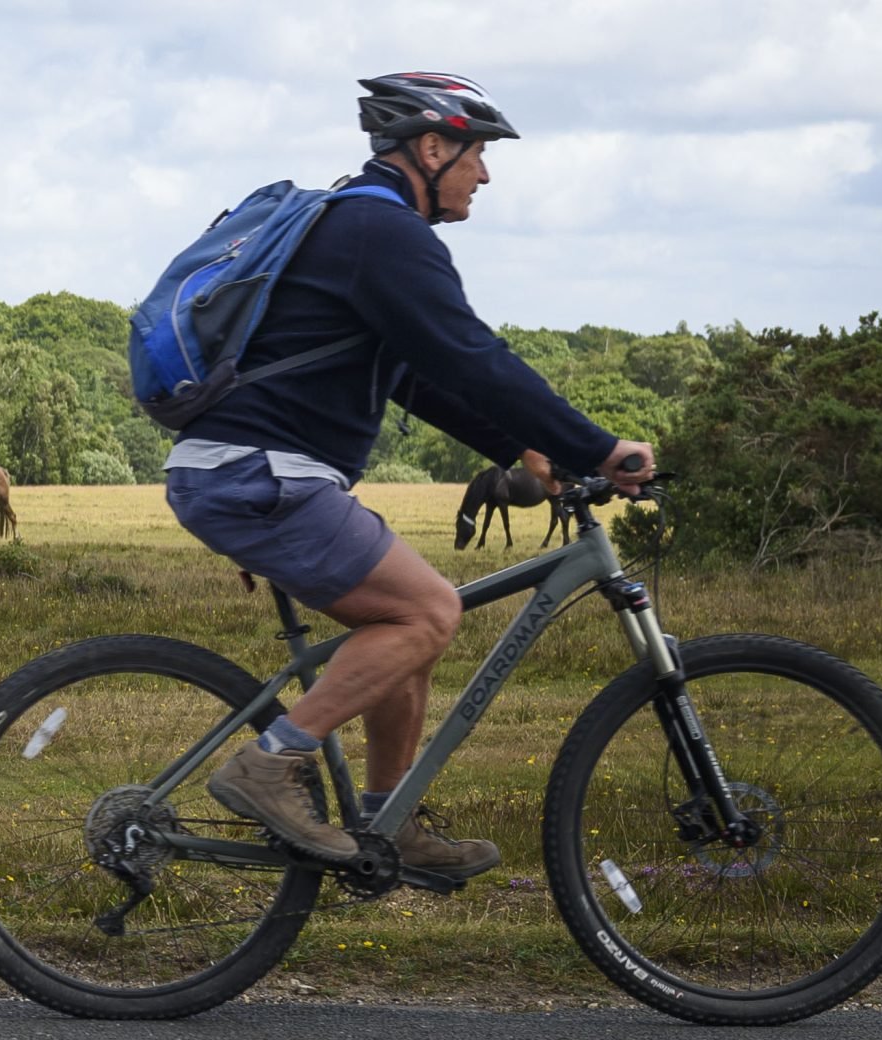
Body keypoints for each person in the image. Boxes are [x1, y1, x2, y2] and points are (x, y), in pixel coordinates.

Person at [165, 73, 655, 877]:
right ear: (432, 148)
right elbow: (474, 357)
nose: (485, 175)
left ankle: (384, 823)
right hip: (262, 472)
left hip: (259, 472)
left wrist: (520, 449)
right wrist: (600, 447)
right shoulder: (383, 233)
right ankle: (268, 763)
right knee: (426, 613)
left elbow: (416, 376)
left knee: (411, 630)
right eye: (478, 155)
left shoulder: (360, 229)